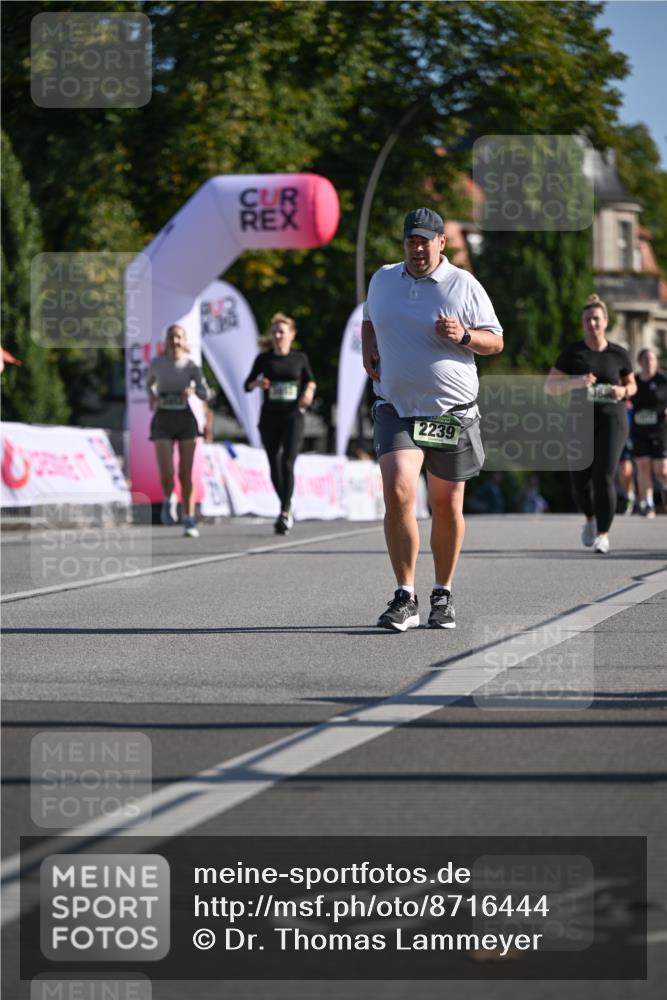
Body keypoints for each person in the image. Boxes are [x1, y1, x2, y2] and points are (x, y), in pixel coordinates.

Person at [362, 207, 503, 631]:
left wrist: (464, 335)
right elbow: (370, 317)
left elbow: (495, 341)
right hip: (396, 408)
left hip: (450, 413)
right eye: (411, 241)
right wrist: (368, 346)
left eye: (425, 242)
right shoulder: (383, 278)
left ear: (441, 242)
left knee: (446, 504)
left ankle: (442, 592)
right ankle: (405, 595)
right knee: (398, 490)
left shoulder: (464, 284)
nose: (418, 249)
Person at [545, 294, 636, 554]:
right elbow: (550, 387)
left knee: (603, 476)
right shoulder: (573, 353)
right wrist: (576, 382)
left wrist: (623, 391)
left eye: (596, 318)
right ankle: (589, 518)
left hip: (612, 419)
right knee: (580, 481)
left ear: (605, 321)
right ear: (583, 323)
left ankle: (603, 534)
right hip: (579, 420)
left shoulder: (618, 354)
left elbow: (632, 385)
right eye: (587, 319)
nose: (592, 323)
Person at [244, 313, 316, 534]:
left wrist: (309, 392)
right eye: (274, 332)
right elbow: (247, 384)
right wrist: (258, 383)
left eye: (281, 332)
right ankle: (286, 503)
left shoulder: (299, 358)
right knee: (274, 464)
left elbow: (311, 381)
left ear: (291, 335)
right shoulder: (264, 359)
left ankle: (284, 512)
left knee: (287, 462)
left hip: (293, 416)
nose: (277, 336)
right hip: (270, 417)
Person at [147, 324, 212, 538]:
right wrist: (152, 397)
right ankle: (169, 498)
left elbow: (205, 392)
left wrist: (193, 390)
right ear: (166, 341)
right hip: (163, 420)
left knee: (185, 473)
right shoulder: (157, 363)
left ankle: (188, 518)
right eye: (171, 337)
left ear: (184, 341)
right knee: (167, 472)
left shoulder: (191, 365)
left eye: (179, 337)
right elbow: (149, 384)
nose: (175, 341)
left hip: (185, 421)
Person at [631, 348, 667, 518]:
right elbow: (624, 398)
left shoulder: (663, 380)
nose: (649, 363)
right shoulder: (634, 381)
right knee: (643, 466)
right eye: (645, 359)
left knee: (662, 470)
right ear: (640, 362)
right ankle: (648, 503)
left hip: (660, 430)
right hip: (639, 430)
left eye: (651, 359)